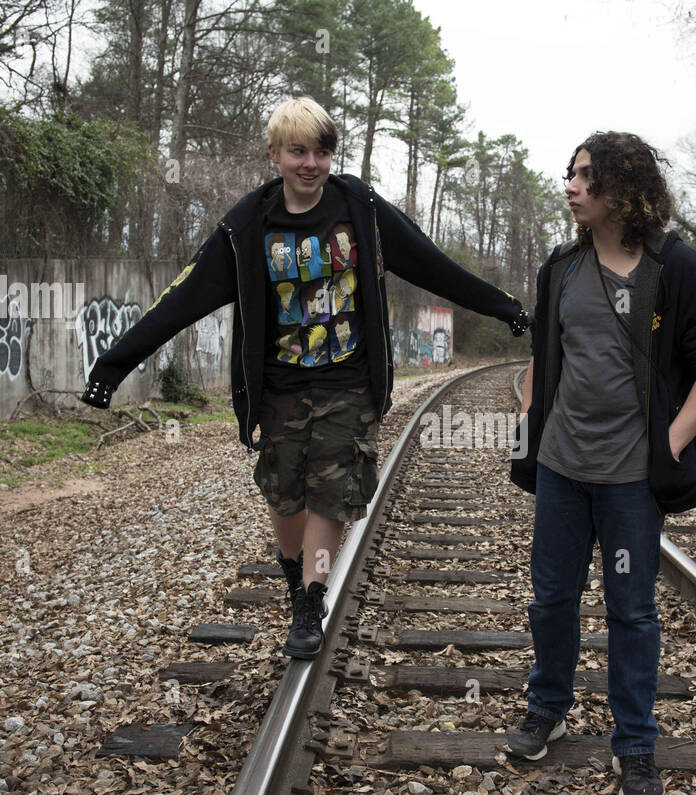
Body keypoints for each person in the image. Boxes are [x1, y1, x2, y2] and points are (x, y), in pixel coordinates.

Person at [81, 97, 528, 658]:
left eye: (321, 151)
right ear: (276, 154)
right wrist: (112, 364)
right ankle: (296, 579)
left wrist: (503, 305)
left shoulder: (359, 208)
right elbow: (182, 299)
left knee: (331, 496)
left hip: (349, 383)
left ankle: (310, 600)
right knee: (285, 494)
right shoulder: (248, 224)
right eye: (298, 152)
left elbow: (431, 263)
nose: (311, 163)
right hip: (278, 389)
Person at [507, 132, 696, 795]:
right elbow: (547, 355)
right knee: (550, 598)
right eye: (571, 174)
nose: (572, 186)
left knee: (632, 611)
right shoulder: (561, 268)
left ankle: (635, 742)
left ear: (623, 188)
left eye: (587, 177)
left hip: (633, 479)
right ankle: (546, 708)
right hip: (561, 469)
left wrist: (673, 440)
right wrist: (529, 408)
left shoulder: (677, 269)